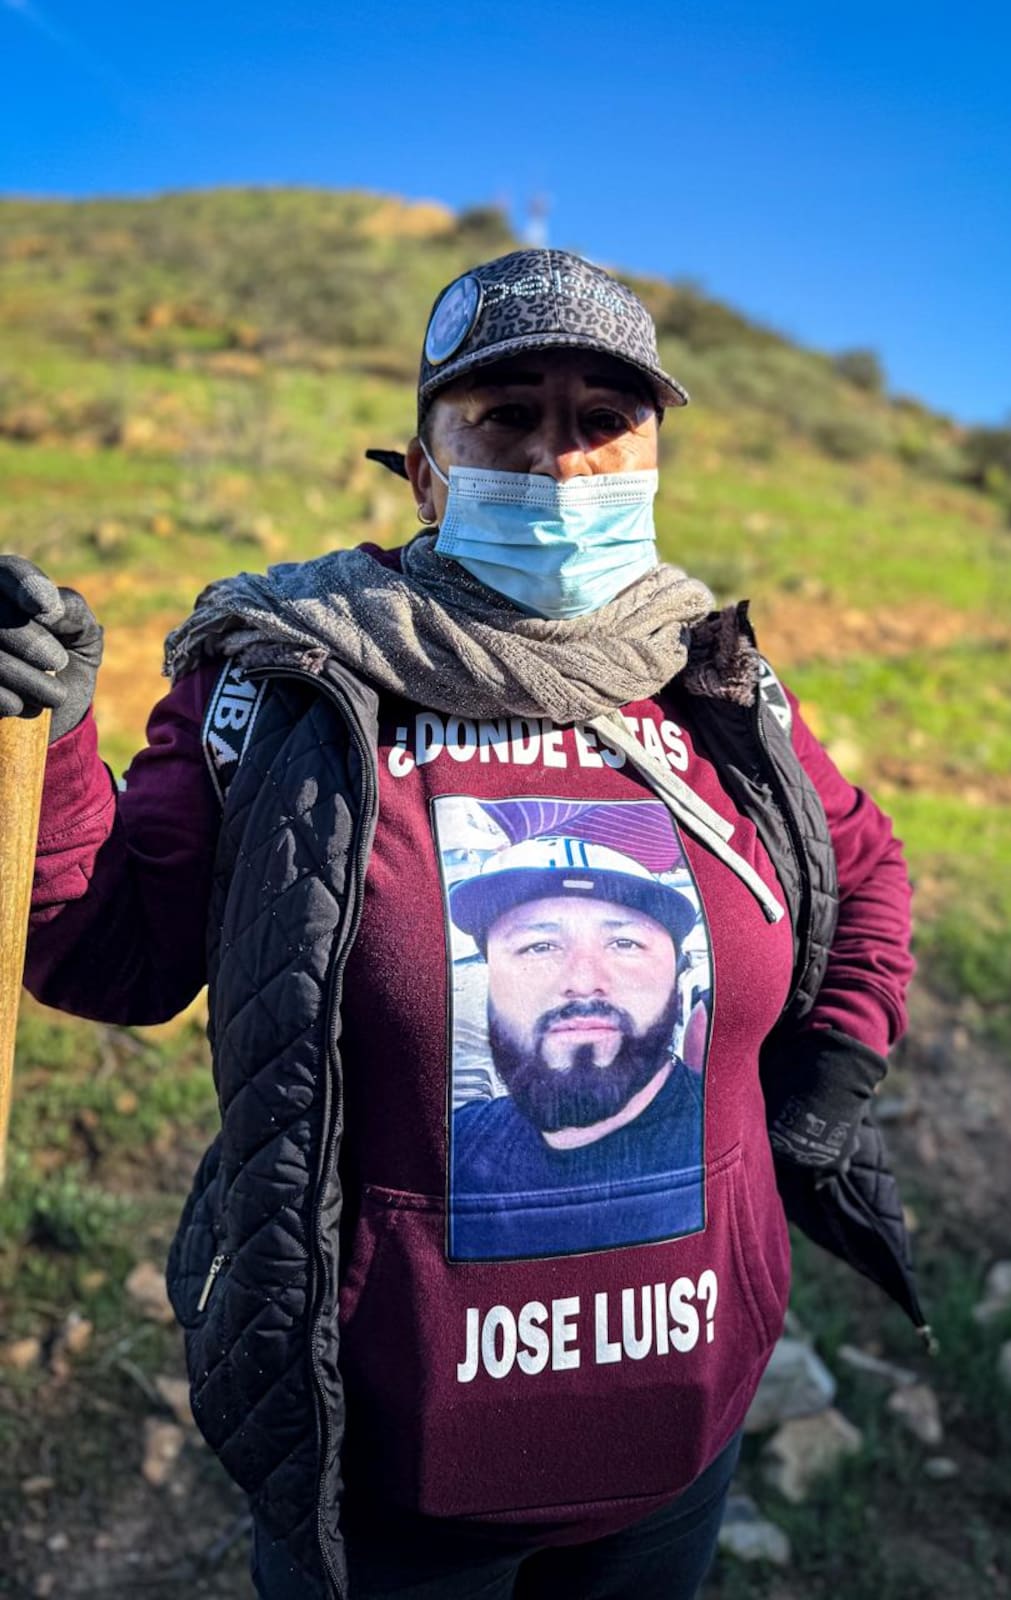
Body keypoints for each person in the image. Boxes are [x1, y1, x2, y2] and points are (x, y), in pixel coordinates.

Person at [2, 247, 928, 1600]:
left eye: (603, 421)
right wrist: (54, 740)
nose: (559, 459)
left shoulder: (713, 686)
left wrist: (828, 1089)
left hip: (679, 1459)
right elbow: (111, 949)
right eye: (507, 414)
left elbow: (866, 865)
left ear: (652, 458)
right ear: (424, 464)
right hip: (390, 1498)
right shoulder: (286, 680)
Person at [446, 834, 706, 1259]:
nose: (583, 982)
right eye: (539, 946)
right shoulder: (459, 1147)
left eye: (624, 943)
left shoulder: (717, 1136)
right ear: (489, 979)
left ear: (678, 981)